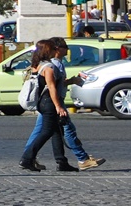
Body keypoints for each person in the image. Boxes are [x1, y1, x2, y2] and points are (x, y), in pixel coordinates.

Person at [46, 38, 105, 171]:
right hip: (56, 101)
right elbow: (53, 86)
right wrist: (58, 105)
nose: (67, 50)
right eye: (64, 47)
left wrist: (72, 80)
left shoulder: (56, 63)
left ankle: (62, 161)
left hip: (53, 102)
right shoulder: (56, 64)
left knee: (51, 132)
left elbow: (58, 83)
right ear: (57, 49)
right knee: (66, 130)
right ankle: (82, 159)